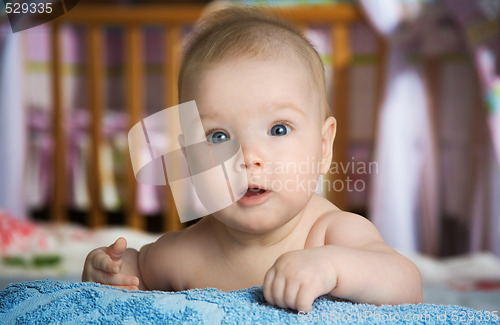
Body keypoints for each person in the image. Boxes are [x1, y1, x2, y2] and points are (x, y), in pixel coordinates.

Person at [82, 6, 422, 312]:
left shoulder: (330, 233)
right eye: (218, 136)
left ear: (323, 147)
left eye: (278, 129)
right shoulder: (184, 253)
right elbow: (136, 273)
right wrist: (113, 270)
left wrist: (333, 267)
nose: (248, 158)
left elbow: (407, 283)